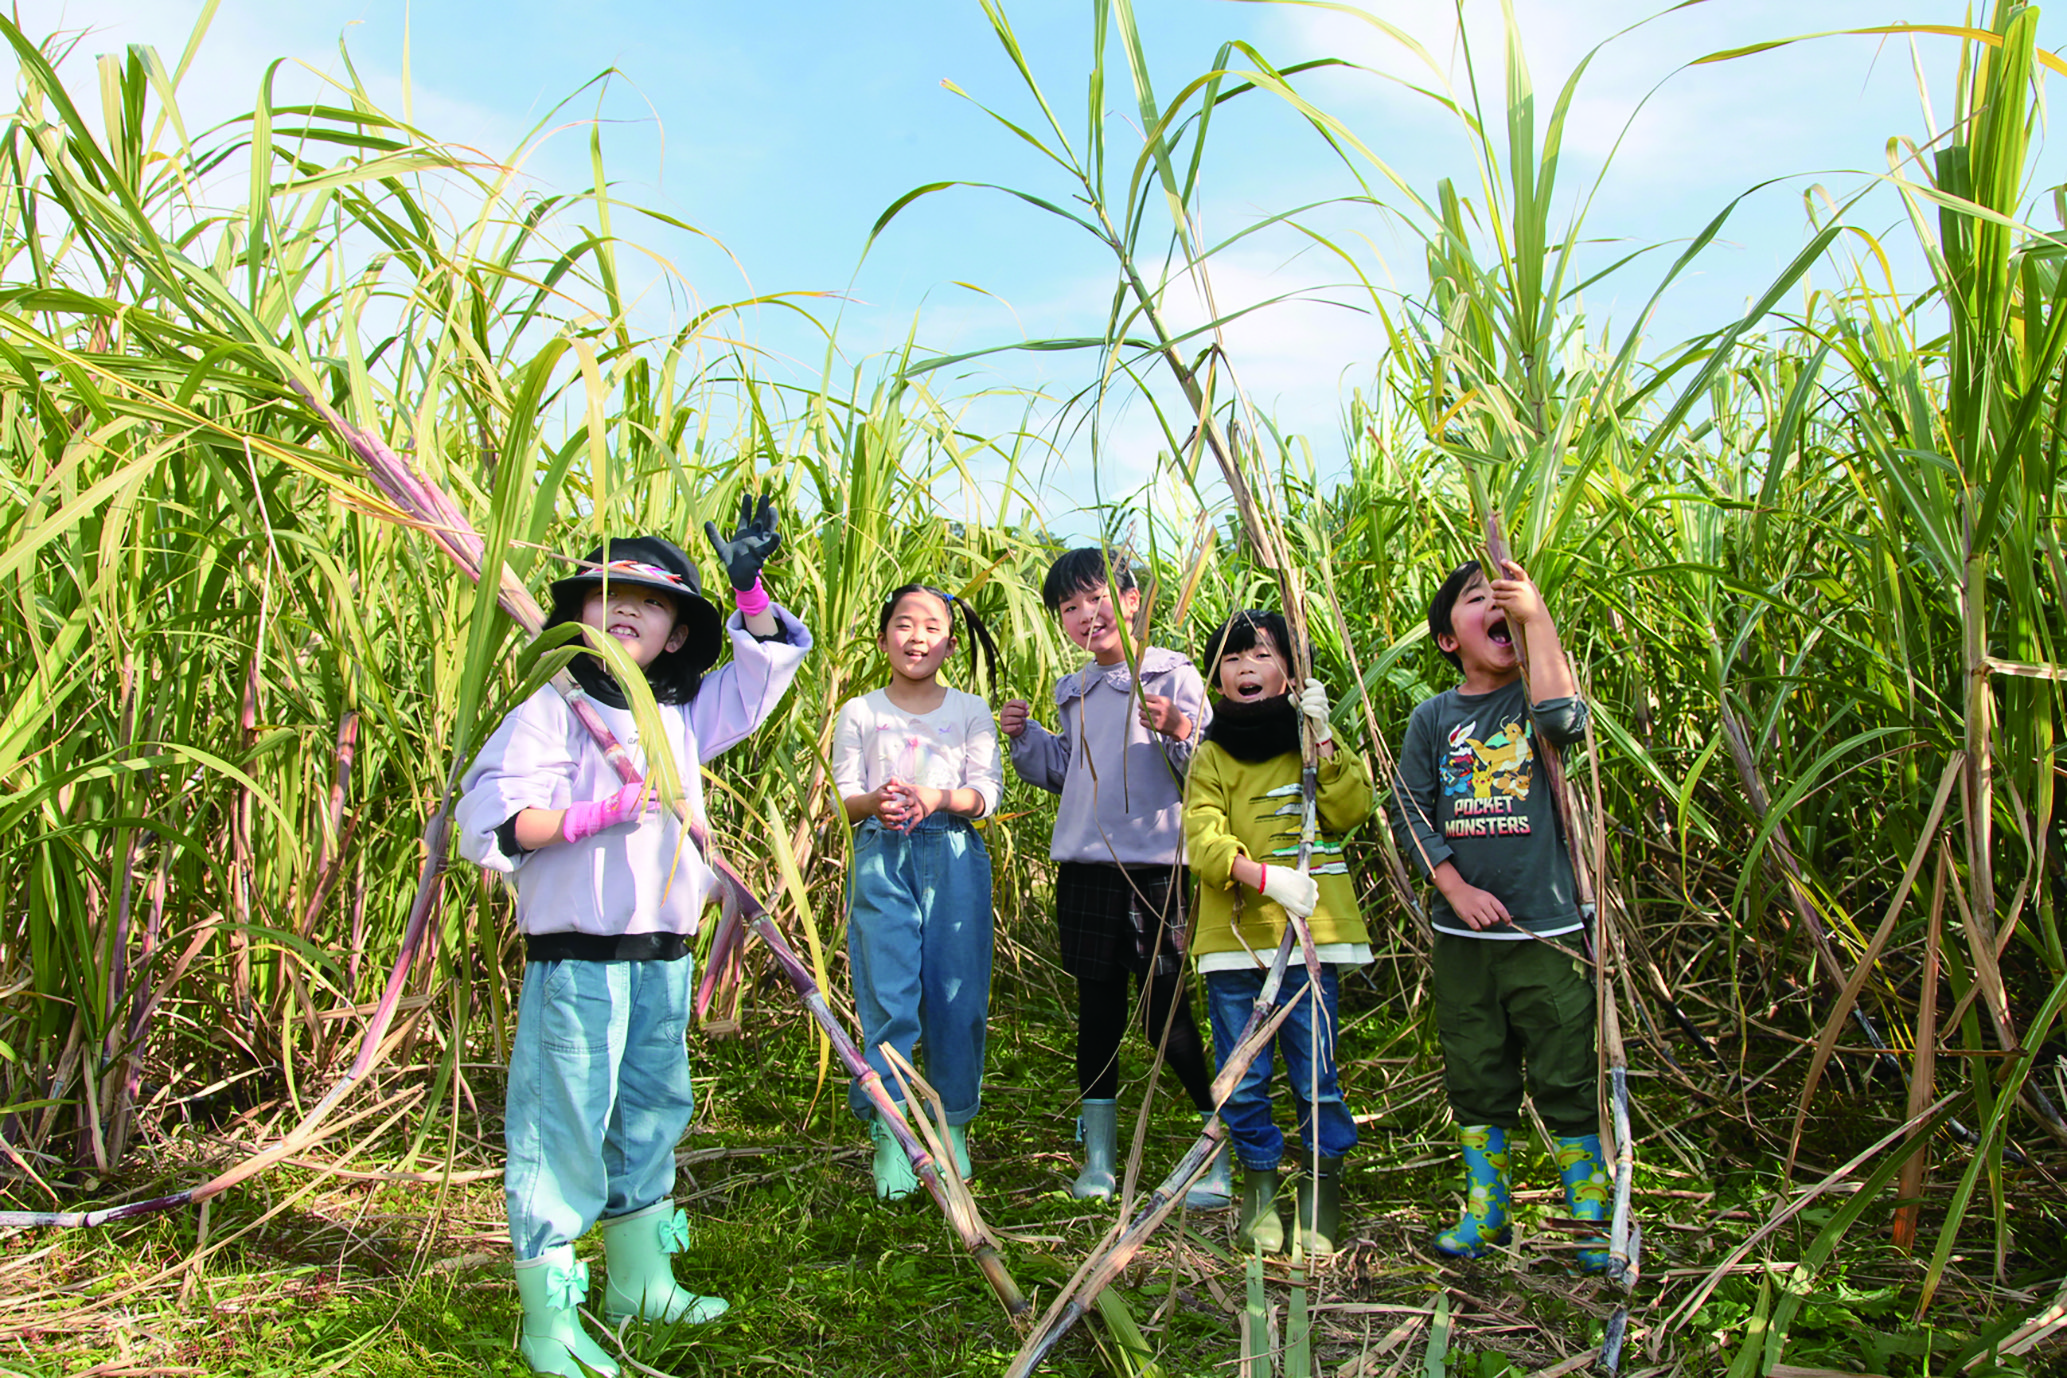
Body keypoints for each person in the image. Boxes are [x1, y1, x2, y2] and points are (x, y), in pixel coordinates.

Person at [456, 500, 809, 1376]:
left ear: (678, 634)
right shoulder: (553, 708)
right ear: (576, 613)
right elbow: (486, 820)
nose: (626, 609)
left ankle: (641, 1279)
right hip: (578, 955)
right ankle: (550, 1319)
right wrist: (591, 814)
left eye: (651, 604)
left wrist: (748, 590)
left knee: (652, 1110)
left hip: (662, 953)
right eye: (607, 592)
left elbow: (762, 672)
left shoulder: (680, 716)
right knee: (564, 1124)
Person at [1390, 557, 1610, 1272]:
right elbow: (1409, 808)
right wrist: (1452, 887)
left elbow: (1564, 720)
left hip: (1546, 930)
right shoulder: (1433, 718)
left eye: (1502, 599)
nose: (1495, 606)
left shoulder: (1532, 703)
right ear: (1449, 638)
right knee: (1477, 1069)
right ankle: (1488, 1209)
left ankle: (1589, 1212)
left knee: (1565, 1069)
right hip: (1463, 939)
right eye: (1476, 600)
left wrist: (1538, 620)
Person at [1000, 547, 1228, 1208]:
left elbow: (1207, 769)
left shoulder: (1174, 676)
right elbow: (1063, 771)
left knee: (1165, 1018)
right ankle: (1097, 1161)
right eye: (1068, 608)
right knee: (1096, 1013)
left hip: (1158, 872)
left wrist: (1180, 726)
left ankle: (1215, 1148)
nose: (1083, 615)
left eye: (1095, 598)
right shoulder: (1073, 690)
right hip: (1086, 871)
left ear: (1131, 600)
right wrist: (1026, 736)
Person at [1184, 609, 1372, 1256]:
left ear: (1290, 670)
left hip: (1314, 939)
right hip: (1236, 942)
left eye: (1260, 654)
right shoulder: (1209, 756)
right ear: (1216, 679)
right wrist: (1262, 878)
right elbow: (1203, 842)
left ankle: (1321, 1186)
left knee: (1315, 1073)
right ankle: (1258, 1185)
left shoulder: (1313, 739)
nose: (1244, 668)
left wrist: (1320, 735)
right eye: (1230, 659)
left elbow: (1351, 810)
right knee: (1243, 1076)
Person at [831, 584, 1004, 1200]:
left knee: (958, 994)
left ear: (950, 644)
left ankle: (953, 1125)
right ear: (884, 639)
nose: (917, 636)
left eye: (932, 626)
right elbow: (841, 798)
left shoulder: (969, 711)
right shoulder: (860, 712)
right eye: (904, 624)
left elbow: (986, 794)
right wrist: (874, 802)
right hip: (884, 853)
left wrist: (937, 797)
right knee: (889, 993)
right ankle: (893, 1128)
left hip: (955, 851)